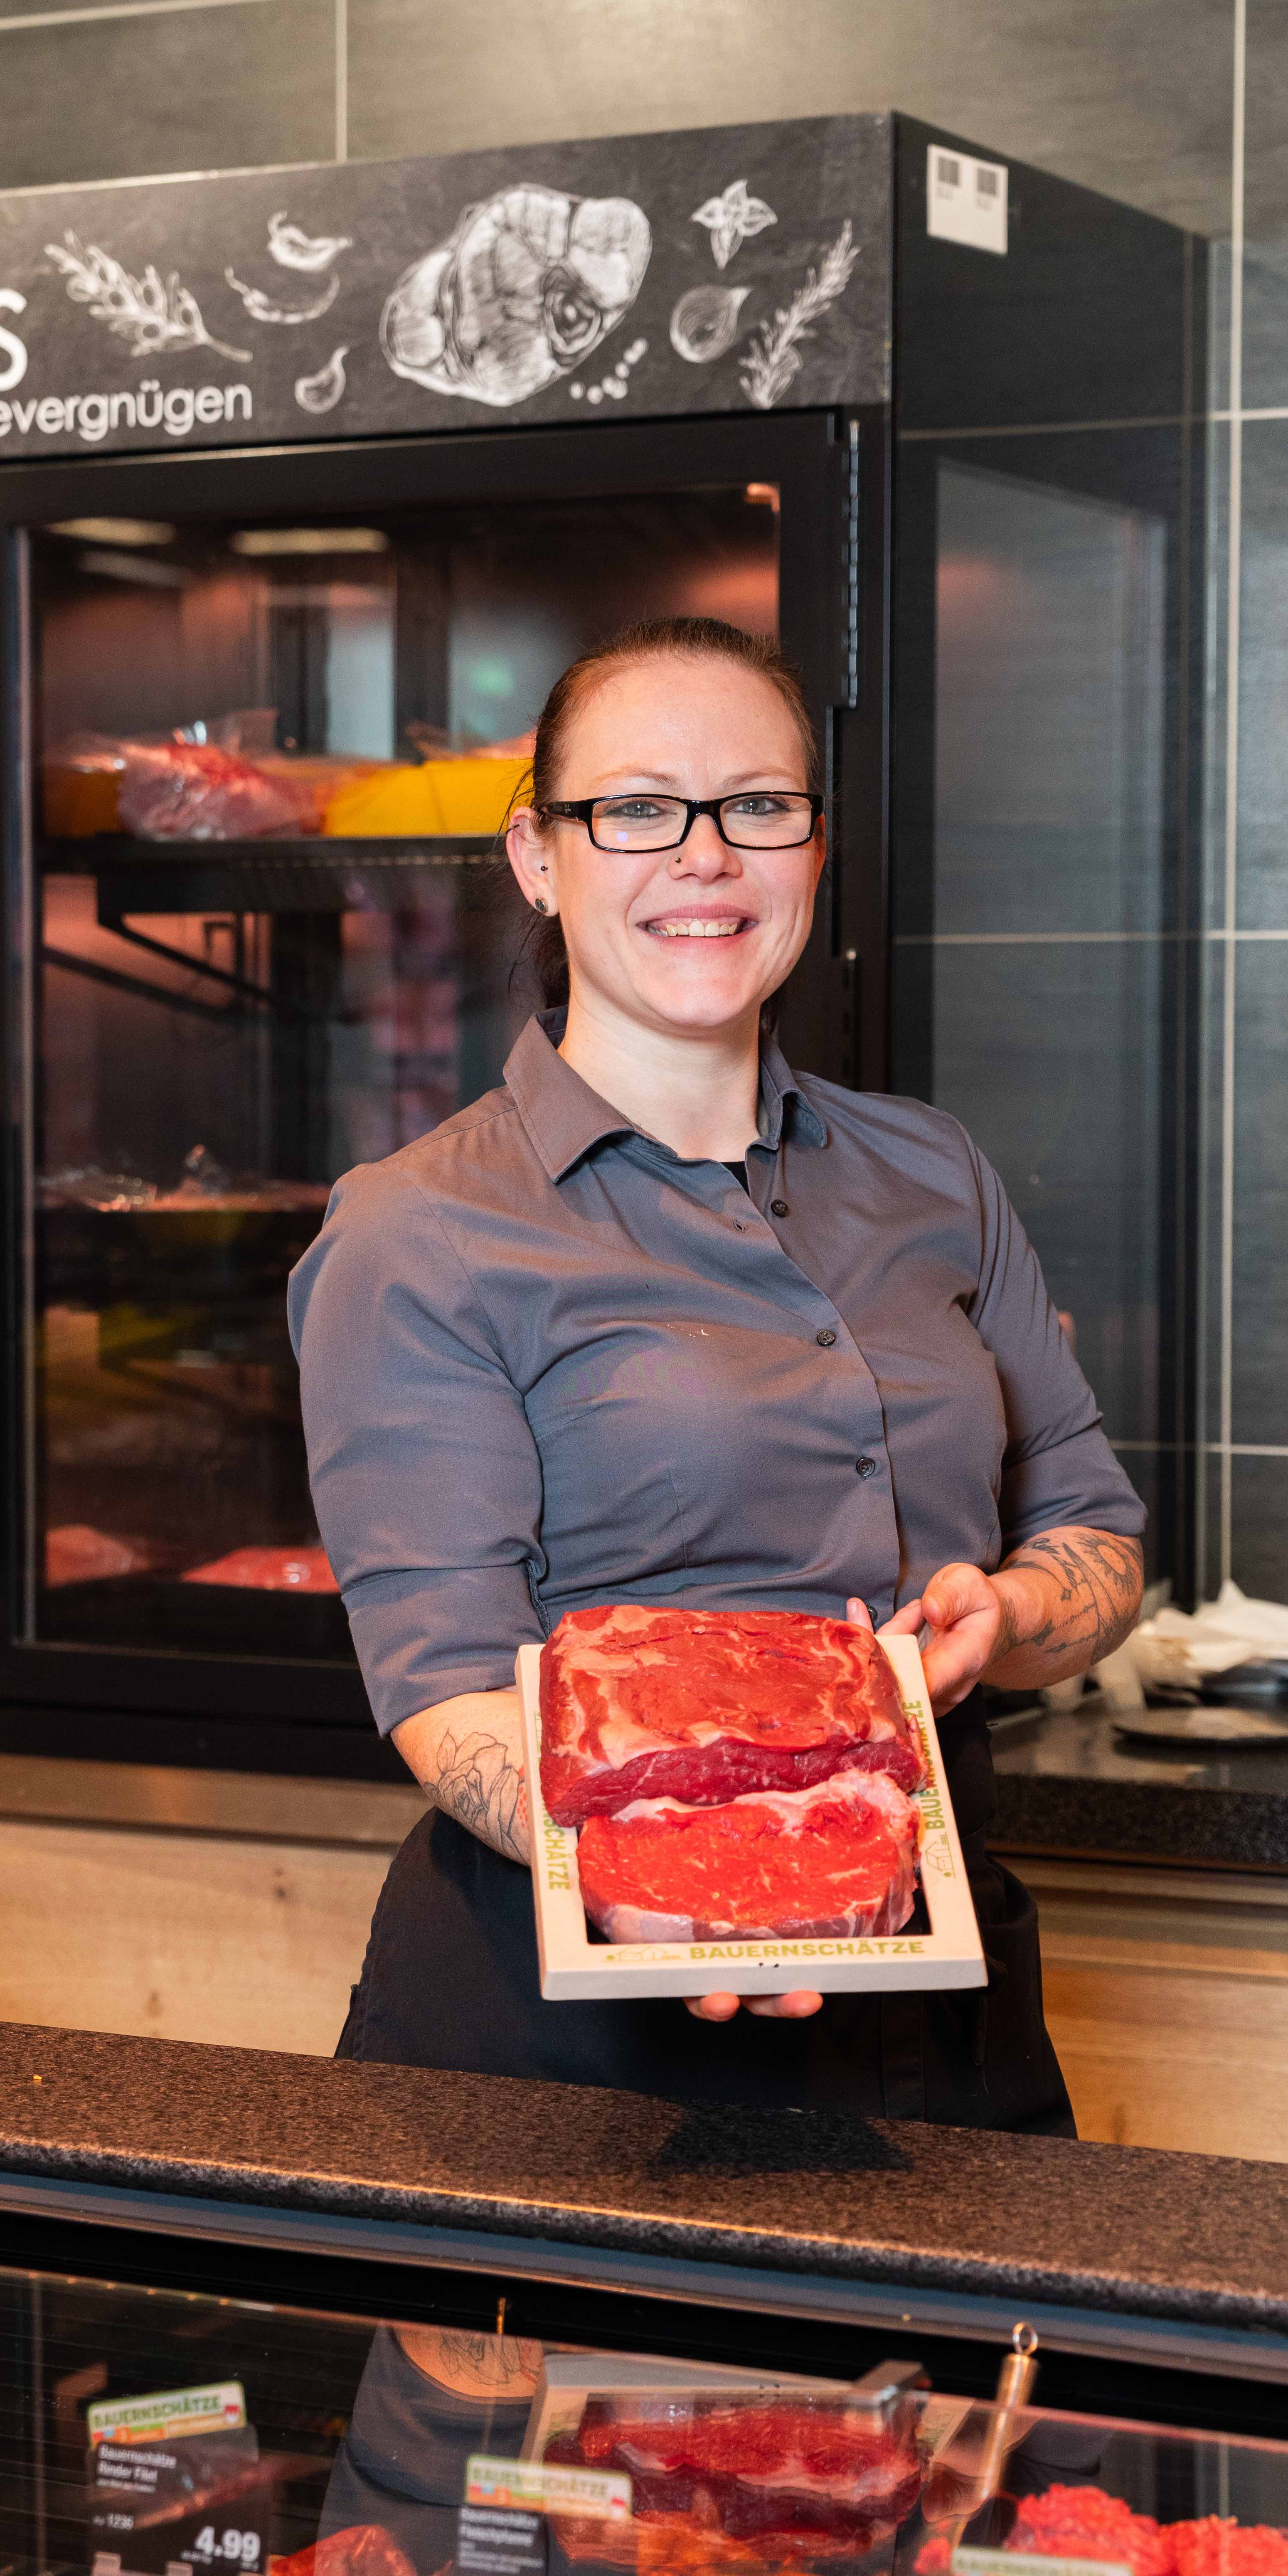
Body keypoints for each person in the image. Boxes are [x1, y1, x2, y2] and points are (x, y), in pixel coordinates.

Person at [288, 615, 1144, 2127]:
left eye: (757, 806)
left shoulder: (934, 1171)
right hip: (571, 2037)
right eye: (636, 809)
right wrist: (696, 1872)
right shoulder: (418, 1227)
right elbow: (445, 1685)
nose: (705, 856)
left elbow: (1092, 1532)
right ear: (539, 857)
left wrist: (1005, 1618)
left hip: (939, 1992)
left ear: (814, 851)